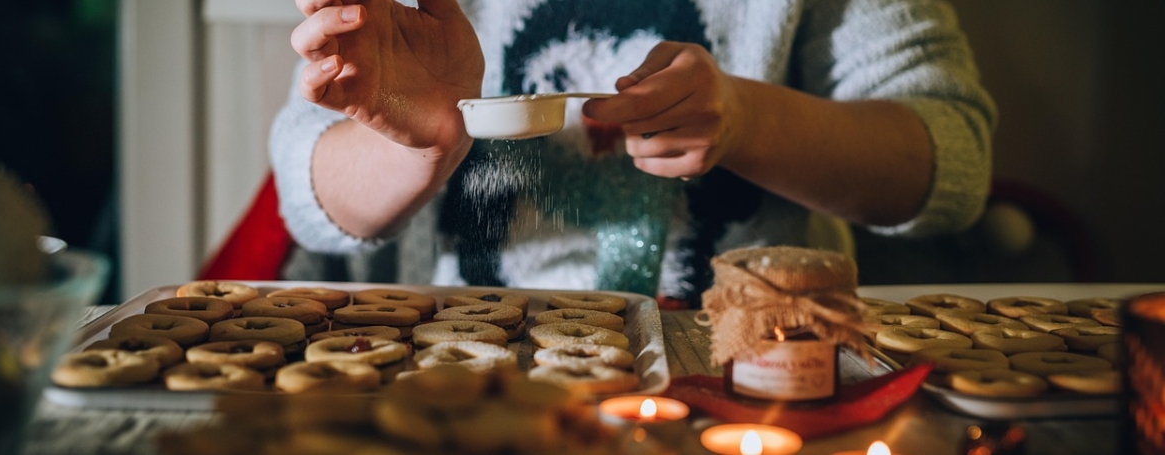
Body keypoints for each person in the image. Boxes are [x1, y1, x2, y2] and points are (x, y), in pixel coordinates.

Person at [269, 0, 996, 307]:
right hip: (476, 374)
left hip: (761, 368)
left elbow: (950, 162)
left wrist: (748, 120)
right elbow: (311, 190)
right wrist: (418, 147)